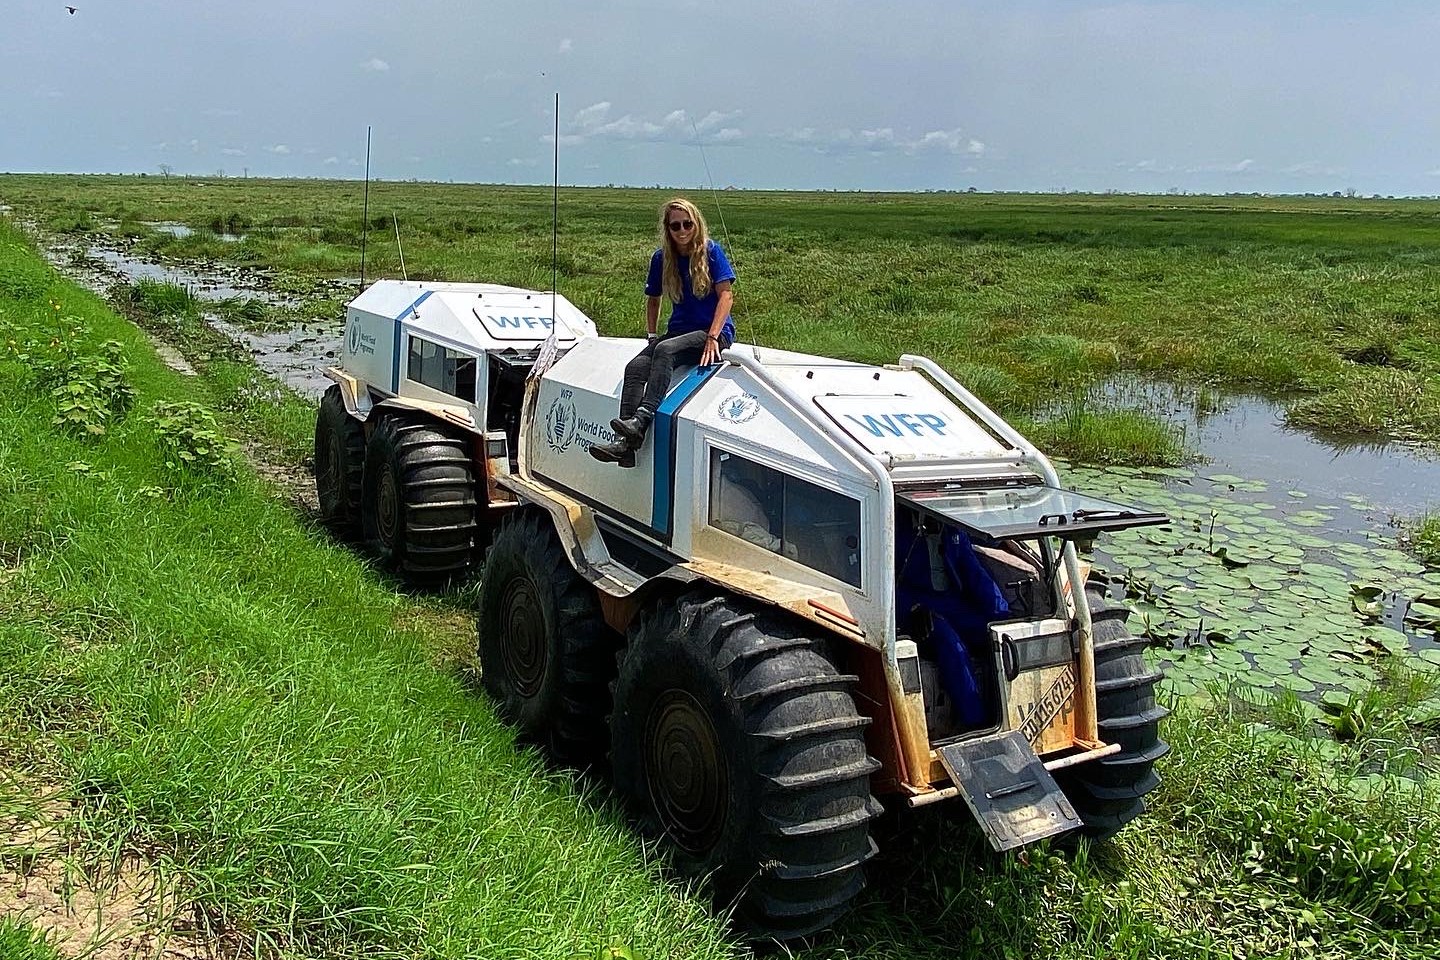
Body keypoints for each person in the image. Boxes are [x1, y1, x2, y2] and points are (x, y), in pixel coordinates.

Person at [589, 198, 735, 467]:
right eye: (675, 226)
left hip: (711, 333)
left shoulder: (711, 251)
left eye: (687, 224)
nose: (682, 231)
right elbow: (653, 298)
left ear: (696, 224)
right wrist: (652, 335)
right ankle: (625, 447)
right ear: (667, 229)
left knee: (666, 351)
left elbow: (726, 296)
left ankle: (640, 419)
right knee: (635, 367)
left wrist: (713, 336)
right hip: (678, 332)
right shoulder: (662, 258)